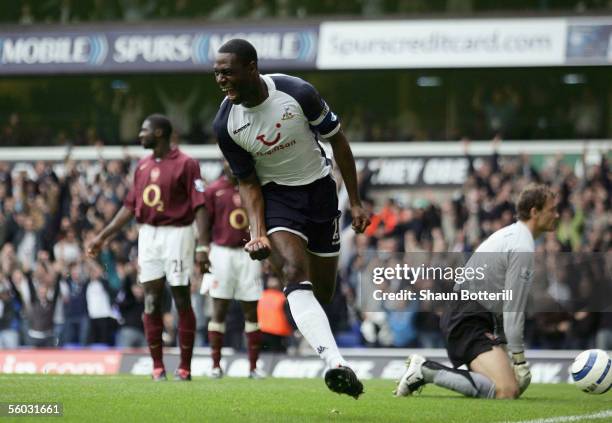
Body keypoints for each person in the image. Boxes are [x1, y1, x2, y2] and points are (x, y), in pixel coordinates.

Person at [212, 38, 370, 399]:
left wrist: (356, 203)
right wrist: (257, 231)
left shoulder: (298, 92)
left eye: (228, 72)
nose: (221, 79)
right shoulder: (226, 125)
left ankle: (326, 345)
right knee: (293, 274)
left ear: (251, 68)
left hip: (320, 191)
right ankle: (335, 363)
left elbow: (338, 142)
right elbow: (248, 183)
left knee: (324, 291)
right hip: (277, 198)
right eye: (217, 73)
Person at [394, 184, 559, 400]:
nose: (556, 214)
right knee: (507, 390)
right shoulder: (521, 245)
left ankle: (427, 371)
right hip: (468, 316)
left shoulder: (513, 236)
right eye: (551, 209)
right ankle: (425, 370)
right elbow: (513, 308)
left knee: (506, 389)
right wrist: (519, 359)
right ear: (535, 212)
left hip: (471, 314)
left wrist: (506, 347)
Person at [86, 114, 207, 381]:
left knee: (181, 297)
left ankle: (185, 367)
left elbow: (199, 206)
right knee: (150, 299)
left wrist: (203, 247)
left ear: (160, 133)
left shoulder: (187, 164)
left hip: (178, 234)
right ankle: (157, 367)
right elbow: (129, 207)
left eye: (145, 130)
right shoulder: (141, 166)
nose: (140, 135)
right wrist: (101, 237)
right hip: (149, 235)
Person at [200, 160, 264, 379]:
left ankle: (254, 367)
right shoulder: (213, 190)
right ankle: (216, 366)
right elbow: (204, 223)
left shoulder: (254, 185)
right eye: (228, 159)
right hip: (222, 253)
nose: (231, 164)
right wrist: (202, 249)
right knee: (219, 309)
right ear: (222, 162)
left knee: (251, 310)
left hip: (249, 253)